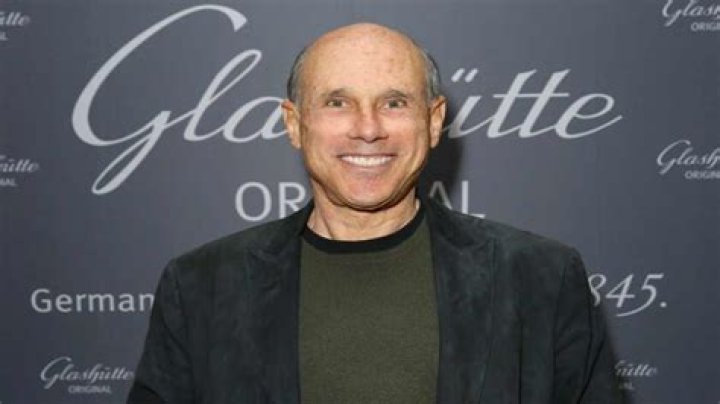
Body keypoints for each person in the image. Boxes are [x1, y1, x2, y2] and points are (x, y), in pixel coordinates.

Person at [128, 23, 621, 404]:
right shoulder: (201, 287)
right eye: (337, 102)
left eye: (394, 102)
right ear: (294, 124)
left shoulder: (540, 277)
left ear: (433, 122)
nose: (368, 129)